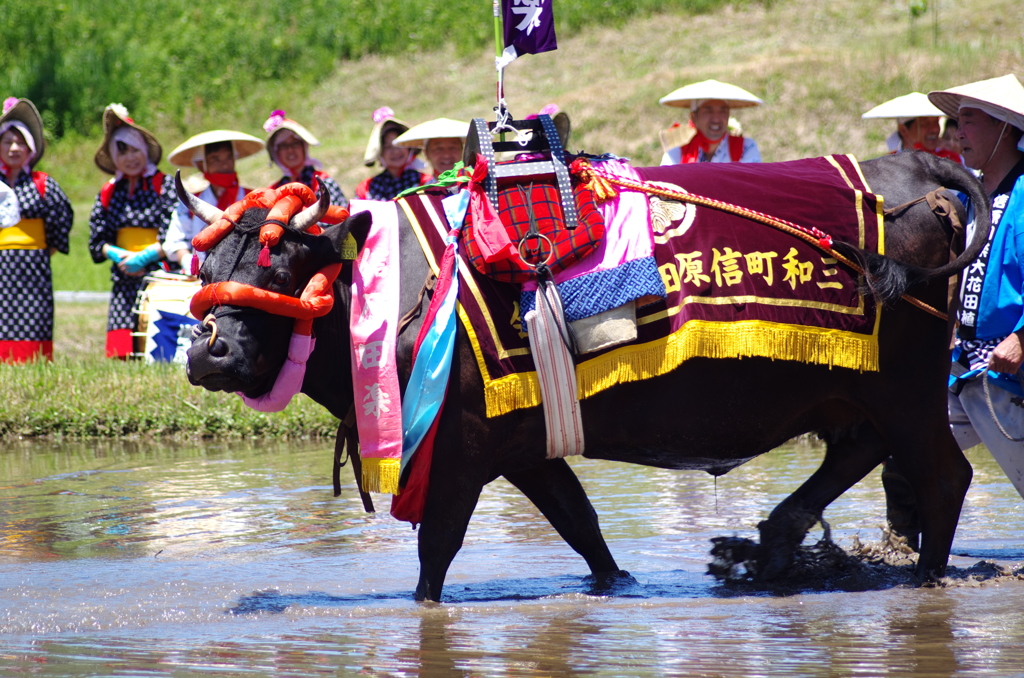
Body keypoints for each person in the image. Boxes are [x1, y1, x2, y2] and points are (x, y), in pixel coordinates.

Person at [928, 74, 1024, 500]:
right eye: (958, 122)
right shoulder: (971, 195)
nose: (958, 133)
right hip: (966, 366)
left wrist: (1022, 338)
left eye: (969, 121)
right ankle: (913, 560)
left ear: (1004, 126)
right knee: (905, 452)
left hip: (1009, 370)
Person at [88, 104, 176, 359]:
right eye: (122, 151)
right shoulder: (109, 191)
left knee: (156, 349)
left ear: (145, 150)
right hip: (123, 274)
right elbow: (97, 238)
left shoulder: (164, 185)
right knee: (121, 352)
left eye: (135, 149)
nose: (130, 158)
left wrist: (146, 258)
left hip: (159, 272)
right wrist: (121, 257)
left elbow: (175, 232)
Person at [0, 97, 73, 363]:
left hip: (34, 263)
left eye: (20, 142)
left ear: (30, 148)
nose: (14, 148)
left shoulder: (43, 183)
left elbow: (62, 216)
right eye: (8, 142)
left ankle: (35, 361)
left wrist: (44, 249)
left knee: (35, 315)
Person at [163, 130, 264, 275]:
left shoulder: (254, 198)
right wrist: (188, 261)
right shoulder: (190, 203)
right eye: (215, 159)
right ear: (201, 165)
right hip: (200, 275)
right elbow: (176, 240)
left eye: (229, 158)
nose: (224, 165)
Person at [657, 79, 762, 165]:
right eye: (708, 111)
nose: (716, 119)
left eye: (723, 111)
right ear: (694, 117)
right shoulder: (676, 156)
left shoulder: (746, 147)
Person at [263, 109, 347, 208]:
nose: (290, 150)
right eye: (284, 146)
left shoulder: (324, 184)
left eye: (295, 143)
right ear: (276, 153)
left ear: (304, 147)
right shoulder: (274, 191)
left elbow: (337, 219)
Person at [861, 91, 963, 163]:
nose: (935, 129)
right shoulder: (888, 162)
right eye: (925, 124)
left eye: (936, 122)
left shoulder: (950, 160)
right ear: (904, 130)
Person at [355, 107, 431, 200]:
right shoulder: (366, 188)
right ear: (379, 153)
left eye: (399, 144)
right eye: (388, 147)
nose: (395, 151)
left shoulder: (426, 183)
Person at [393, 117, 468, 181]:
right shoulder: (419, 193)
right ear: (426, 153)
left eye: (453, 148)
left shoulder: (474, 188)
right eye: (438, 149)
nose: (446, 155)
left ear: (462, 150)